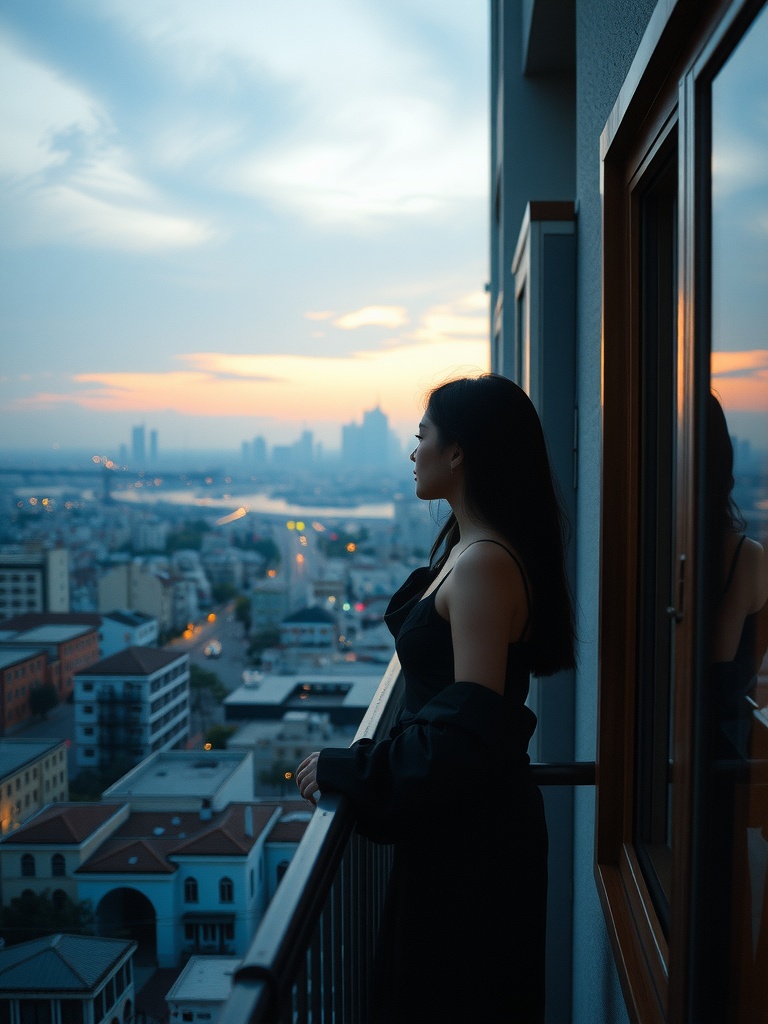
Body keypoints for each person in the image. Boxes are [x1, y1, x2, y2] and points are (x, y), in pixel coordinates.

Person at [296, 373, 576, 1023]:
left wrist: (352, 768)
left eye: (422, 435)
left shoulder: (483, 562)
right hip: (463, 827)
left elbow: (467, 733)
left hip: (472, 847)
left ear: (458, 452)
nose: (412, 451)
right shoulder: (468, 549)